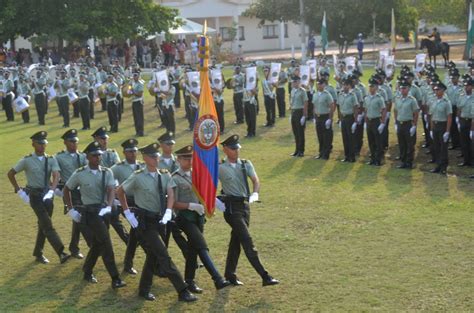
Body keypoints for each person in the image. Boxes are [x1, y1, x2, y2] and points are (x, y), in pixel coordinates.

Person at [117, 143, 197, 302]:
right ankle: (182, 290)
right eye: (152, 156)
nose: (156, 158)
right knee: (163, 255)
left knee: (153, 256)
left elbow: (171, 194)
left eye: (157, 155)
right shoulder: (138, 176)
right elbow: (120, 191)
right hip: (146, 223)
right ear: (145, 158)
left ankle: (143, 290)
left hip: (161, 221)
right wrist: (127, 212)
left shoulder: (165, 175)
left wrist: (168, 211)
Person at [217, 135, 279, 287]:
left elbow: (255, 180)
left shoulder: (245, 164)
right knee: (247, 241)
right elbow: (207, 183)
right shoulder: (219, 167)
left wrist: (255, 193)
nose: (236, 151)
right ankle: (264, 276)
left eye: (237, 148)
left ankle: (229, 274)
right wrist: (215, 200)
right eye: (232, 149)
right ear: (225, 149)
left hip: (244, 206)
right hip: (231, 208)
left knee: (236, 241)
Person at [63, 141, 126, 288]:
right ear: (87, 157)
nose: (98, 158)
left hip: (104, 212)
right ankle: (115, 278)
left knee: (97, 244)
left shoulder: (107, 172)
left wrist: (109, 206)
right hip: (90, 214)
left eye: (99, 155)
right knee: (106, 243)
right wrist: (71, 209)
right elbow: (67, 189)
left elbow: (111, 190)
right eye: (94, 155)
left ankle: (87, 270)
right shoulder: (80, 174)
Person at [172, 145, 231, 293]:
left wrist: (212, 201)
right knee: (202, 246)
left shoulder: (197, 174)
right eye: (185, 158)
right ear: (178, 159)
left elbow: (204, 192)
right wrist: (190, 206)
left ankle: (189, 281)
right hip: (184, 218)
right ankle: (217, 279)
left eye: (191, 157)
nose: (189, 160)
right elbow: (173, 203)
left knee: (193, 249)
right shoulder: (174, 178)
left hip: (198, 218)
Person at [7, 131, 71, 264]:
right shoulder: (27, 160)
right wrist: (19, 191)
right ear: (33, 144)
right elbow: (11, 173)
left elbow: (56, 175)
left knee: (43, 224)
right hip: (35, 196)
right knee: (47, 225)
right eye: (39, 143)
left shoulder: (51, 159)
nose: (42, 146)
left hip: (47, 196)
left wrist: (52, 191)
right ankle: (61, 252)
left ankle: (38, 253)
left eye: (44, 143)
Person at [111, 139, 143, 275]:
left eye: (135, 150)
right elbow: (108, 179)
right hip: (127, 203)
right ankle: (129, 264)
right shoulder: (118, 167)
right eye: (130, 151)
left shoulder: (142, 166)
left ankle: (128, 263)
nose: (133, 153)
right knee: (137, 232)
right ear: (124, 153)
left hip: (142, 202)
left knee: (136, 234)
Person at [55, 129, 87, 259]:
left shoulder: (83, 156)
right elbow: (54, 173)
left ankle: (74, 247)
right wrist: (56, 187)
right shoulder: (59, 157)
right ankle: (90, 245)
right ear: (65, 142)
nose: (74, 144)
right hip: (70, 191)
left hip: (84, 191)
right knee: (80, 218)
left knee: (78, 219)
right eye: (71, 141)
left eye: (76, 141)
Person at [394, 79, 419, 169]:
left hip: (408, 124)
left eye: (404, 88)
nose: (402, 90)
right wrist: (396, 122)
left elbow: (416, 113)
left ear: (408, 89)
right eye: (401, 88)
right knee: (401, 144)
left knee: (409, 144)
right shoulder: (398, 99)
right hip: (400, 123)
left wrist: (414, 125)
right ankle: (403, 161)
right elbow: (395, 110)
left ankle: (409, 162)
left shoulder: (412, 100)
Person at [429, 82, 452, 174]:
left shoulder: (447, 102)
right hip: (435, 125)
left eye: (438, 90)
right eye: (435, 89)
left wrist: (447, 131)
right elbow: (431, 115)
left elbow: (449, 117)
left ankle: (443, 167)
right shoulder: (433, 101)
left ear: (443, 91)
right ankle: (438, 165)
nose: (436, 91)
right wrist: (431, 129)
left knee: (443, 147)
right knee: (436, 147)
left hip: (443, 125)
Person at [363, 78, 386, 166]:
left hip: (376, 120)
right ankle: (372, 158)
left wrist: (383, 123)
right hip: (369, 121)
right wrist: (365, 121)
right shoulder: (367, 97)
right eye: (370, 86)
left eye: (372, 87)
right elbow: (365, 110)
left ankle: (378, 160)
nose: (370, 88)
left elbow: (383, 110)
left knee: (378, 142)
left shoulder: (379, 98)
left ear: (376, 87)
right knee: (371, 141)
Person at [312, 78, 335, 160]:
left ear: (324, 85)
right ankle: (321, 152)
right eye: (318, 84)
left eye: (320, 84)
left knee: (326, 137)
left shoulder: (327, 94)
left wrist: (330, 118)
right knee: (320, 136)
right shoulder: (315, 94)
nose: (319, 85)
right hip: (318, 117)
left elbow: (332, 106)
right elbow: (314, 106)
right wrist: (314, 117)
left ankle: (326, 154)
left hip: (325, 116)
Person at [337, 78, 359, 162]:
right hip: (343, 118)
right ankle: (346, 156)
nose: (345, 87)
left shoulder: (352, 95)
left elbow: (355, 108)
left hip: (350, 118)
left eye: (346, 85)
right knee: (344, 138)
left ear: (350, 86)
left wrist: (355, 121)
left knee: (351, 138)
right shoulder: (340, 95)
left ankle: (352, 157)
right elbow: (339, 107)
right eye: (344, 85)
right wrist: (339, 119)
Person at [289, 76, 308, 157]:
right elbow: (292, 103)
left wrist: (304, 116)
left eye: (294, 82)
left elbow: (306, 103)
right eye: (292, 82)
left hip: (300, 112)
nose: (292, 83)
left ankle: (301, 151)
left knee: (300, 133)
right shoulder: (293, 91)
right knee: (295, 133)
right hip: (294, 112)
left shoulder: (302, 91)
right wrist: (291, 114)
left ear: (298, 82)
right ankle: (296, 150)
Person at [457, 77, 473, 166]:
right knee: (464, 142)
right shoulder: (461, 96)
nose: (466, 87)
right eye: (465, 86)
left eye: (468, 86)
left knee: (472, 143)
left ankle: (472, 161)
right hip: (463, 121)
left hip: (472, 122)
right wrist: (458, 121)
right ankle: (466, 160)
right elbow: (459, 109)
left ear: (472, 87)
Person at [130, 72, 145, 136]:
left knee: (139, 118)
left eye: (136, 76)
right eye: (134, 76)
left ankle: (141, 132)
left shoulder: (140, 84)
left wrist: (133, 92)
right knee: (135, 118)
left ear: (138, 77)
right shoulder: (133, 83)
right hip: (134, 101)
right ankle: (137, 131)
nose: (135, 77)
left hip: (138, 102)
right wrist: (129, 91)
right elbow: (130, 90)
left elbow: (140, 94)